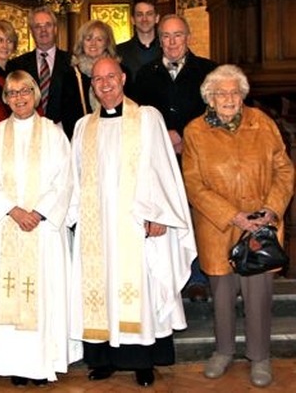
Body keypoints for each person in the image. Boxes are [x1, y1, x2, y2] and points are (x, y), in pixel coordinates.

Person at [68, 57, 196, 387]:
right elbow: (74, 177)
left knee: (138, 287)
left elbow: (162, 168)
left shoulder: (147, 118)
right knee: (100, 288)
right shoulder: (84, 126)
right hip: (96, 227)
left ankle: (143, 360)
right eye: (98, 79)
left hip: (136, 224)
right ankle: (104, 358)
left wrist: (159, 214)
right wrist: (73, 218)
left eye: (111, 76)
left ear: (123, 78)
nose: (105, 83)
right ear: (92, 85)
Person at [182, 64, 294, 388]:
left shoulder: (263, 124)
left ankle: (259, 356)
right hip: (218, 226)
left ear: (243, 95)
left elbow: (284, 170)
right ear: (209, 97)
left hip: (260, 226)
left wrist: (271, 210)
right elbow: (193, 183)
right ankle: (224, 351)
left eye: (234, 92)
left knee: (258, 295)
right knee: (221, 295)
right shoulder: (195, 131)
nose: (229, 98)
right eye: (221, 93)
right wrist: (232, 214)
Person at [0, 70, 82, 387]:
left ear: (35, 94)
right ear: (4, 98)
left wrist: (39, 213)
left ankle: (42, 363)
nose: (19, 98)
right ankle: (13, 364)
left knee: (42, 294)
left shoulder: (53, 133)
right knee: (7, 294)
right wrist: (14, 210)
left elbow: (65, 180)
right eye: (12, 92)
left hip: (43, 230)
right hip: (7, 226)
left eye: (25, 91)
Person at [133, 14, 217, 302]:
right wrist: (164, 134)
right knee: (165, 213)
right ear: (159, 40)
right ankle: (168, 275)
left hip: (197, 155)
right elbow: (138, 115)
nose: (171, 42)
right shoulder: (145, 74)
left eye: (177, 35)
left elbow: (215, 113)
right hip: (159, 157)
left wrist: (185, 135)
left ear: (188, 37)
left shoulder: (208, 71)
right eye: (166, 36)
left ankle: (197, 276)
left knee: (197, 214)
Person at [7, 6, 70, 124]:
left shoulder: (72, 62)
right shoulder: (16, 65)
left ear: (55, 29)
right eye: (38, 26)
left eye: (48, 25)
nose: (43, 30)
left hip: (64, 133)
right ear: (31, 32)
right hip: (27, 131)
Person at [61, 19, 119, 139]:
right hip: (83, 139)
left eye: (99, 39)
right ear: (81, 43)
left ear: (107, 43)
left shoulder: (119, 71)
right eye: (88, 39)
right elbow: (67, 117)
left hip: (116, 135)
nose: (93, 44)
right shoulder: (71, 76)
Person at [117, 0, 161, 91]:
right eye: (139, 14)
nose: (144, 19)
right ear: (133, 20)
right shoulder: (118, 52)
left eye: (149, 14)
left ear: (157, 18)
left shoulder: (168, 49)